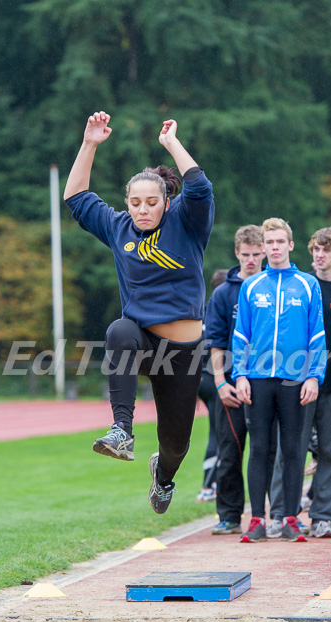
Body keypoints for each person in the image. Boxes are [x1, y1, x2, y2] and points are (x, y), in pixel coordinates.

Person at [64, 111, 215, 515]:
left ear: (167, 201)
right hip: (144, 342)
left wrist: (171, 144)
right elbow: (76, 199)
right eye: (135, 202)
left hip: (183, 352)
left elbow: (200, 186)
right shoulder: (118, 228)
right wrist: (89, 143)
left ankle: (163, 477)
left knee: (176, 444)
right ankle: (122, 431)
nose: (142, 210)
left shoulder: (187, 221)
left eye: (151, 202)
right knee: (119, 330)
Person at [267, 228, 331, 539]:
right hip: (299, 381)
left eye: (325, 250)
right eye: (315, 250)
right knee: (290, 449)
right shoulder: (300, 286)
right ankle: (280, 514)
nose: (319, 256)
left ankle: (323, 517)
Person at [232, 218, 327, 542]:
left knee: (292, 450)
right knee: (259, 449)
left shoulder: (307, 284)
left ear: (290, 245)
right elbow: (240, 334)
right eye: (268, 243)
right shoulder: (251, 286)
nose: (273, 248)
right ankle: (257, 519)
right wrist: (240, 374)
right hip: (257, 380)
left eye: (279, 242)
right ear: (263, 248)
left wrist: (314, 376)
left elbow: (317, 334)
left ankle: (289, 517)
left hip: (295, 381)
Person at [206, 225, 276, 535]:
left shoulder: (277, 288)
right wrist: (221, 382)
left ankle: (277, 515)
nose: (251, 260)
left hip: (268, 384)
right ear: (237, 253)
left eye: (256, 254)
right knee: (229, 452)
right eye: (245, 255)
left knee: (270, 451)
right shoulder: (223, 293)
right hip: (232, 386)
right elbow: (216, 342)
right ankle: (230, 515)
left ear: (265, 252)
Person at [196, 268, 228, 503]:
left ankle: (210, 485)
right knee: (218, 433)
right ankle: (209, 486)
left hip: (199, 379)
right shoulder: (224, 312)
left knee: (214, 432)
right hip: (217, 378)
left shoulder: (200, 313)